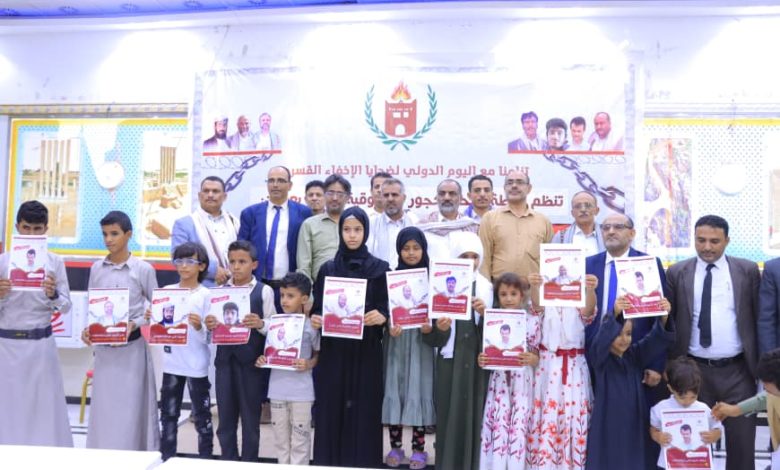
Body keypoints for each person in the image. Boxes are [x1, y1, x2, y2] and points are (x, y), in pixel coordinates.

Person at [666, 214, 760, 470]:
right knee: (692, 447)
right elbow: (669, 324)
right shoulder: (677, 272)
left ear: (727, 241)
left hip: (739, 372)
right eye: (701, 240)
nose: (707, 247)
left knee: (742, 448)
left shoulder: (747, 271)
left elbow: (759, 318)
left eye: (714, 241)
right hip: (693, 372)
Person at [310, 207, 390, 467]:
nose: (352, 235)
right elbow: (317, 308)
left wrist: (382, 316)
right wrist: (316, 318)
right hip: (334, 351)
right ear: (340, 231)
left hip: (366, 351)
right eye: (346, 229)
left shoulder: (380, 269)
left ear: (365, 232)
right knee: (332, 406)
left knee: (364, 408)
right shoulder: (328, 269)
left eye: (357, 229)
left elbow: (388, 308)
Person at [82, 210, 159, 451]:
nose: (108, 239)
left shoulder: (143, 269)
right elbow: (93, 307)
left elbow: (157, 311)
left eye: (114, 234)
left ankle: (133, 457)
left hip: (132, 352)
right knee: (105, 409)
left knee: (131, 410)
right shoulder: (96, 268)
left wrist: (135, 323)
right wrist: (87, 330)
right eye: (105, 234)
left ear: (128, 234)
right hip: (104, 353)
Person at [0, 200, 72, 447]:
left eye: (37, 229)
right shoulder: (2, 262)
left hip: (41, 346)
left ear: (46, 230)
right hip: (7, 347)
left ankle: (46, 458)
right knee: (7, 408)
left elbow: (66, 306)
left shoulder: (54, 262)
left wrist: (53, 294)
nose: (31, 234)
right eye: (26, 228)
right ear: (17, 227)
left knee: (44, 409)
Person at [423, 231, 493, 470]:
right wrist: (440, 329)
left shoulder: (487, 288)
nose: (470, 261)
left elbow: (495, 335)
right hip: (450, 363)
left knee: (475, 417)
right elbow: (432, 339)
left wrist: (485, 315)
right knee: (448, 416)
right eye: (464, 256)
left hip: (477, 363)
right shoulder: (440, 287)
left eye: (475, 256)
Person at [204, 240, 276, 461]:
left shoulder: (264, 291)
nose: (236, 267)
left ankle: (249, 463)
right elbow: (208, 330)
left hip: (251, 365)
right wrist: (209, 325)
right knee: (225, 420)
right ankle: (228, 461)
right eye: (232, 261)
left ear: (254, 264)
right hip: (224, 363)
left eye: (242, 262)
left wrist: (261, 323)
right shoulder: (218, 293)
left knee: (250, 421)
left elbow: (275, 327)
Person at [585, 294, 675, 470]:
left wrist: (664, 317)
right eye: (617, 334)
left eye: (628, 334)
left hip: (634, 425)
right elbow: (599, 344)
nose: (624, 339)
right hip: (608, 425)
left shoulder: (634, 356)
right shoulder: (600, 360)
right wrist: (614, 314)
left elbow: (655, 340)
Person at [527, 270, 598, 470]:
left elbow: (588, 313)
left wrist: (590, 290)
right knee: (547, 418)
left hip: (574, 365)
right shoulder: (545, 287)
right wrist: (535, 285)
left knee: (574, 419)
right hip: (548, 366)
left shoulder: (577, 288)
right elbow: (536, 307)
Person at [154, 242, 214, 460]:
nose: (184, 266)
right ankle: (166, 458)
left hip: (197, 364)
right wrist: (153, 320)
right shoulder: (166, 292)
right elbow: (158, 329)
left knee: (202, 415)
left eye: (190, 261)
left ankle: (205, 458)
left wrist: (199, 327)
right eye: (179, 261)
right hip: (172, 363)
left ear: (202, 266)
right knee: (168, 414)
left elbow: (211, 337)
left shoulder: (207, 295)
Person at [383, 227, 436, 469]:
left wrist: (430, 327)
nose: (411, 253)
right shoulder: (392, 278)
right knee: (395, 389)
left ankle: (419, 449)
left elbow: (440, 314)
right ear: (399, 251)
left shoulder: (432, 279)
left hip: (421, 344)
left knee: (419, 391)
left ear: (424, 249)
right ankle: (395, 446)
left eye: (416, 248)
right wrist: (388, 325)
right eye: (406, 248)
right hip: (397, 341)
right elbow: (385, 310)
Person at [255, 272, 320, 466]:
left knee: (300, 441)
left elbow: (319, 354)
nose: (284, 300)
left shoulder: (311, 326)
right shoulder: (275, 323)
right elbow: (269, 351)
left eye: (290, 296)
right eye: (282, 295)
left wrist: (308, 363)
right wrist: (263, 359)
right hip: (277, 391)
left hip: (302, 393)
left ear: (304, 299)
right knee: (281, 442)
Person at [478, 272, 541, 470]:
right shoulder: (492, 320)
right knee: (498, 424)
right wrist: (483, 359)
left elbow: (537, 353)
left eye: (513, 294)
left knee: (519, 426)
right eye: (503, 294)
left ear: (522, 295)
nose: (508, 299)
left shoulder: (531, 320)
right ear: (498, 297)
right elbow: (488, 351)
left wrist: (532, 359)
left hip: (522, 382)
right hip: (499, 381)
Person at [239, 166, 312, 311]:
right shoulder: (250, 213)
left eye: (281, 181)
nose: (275, 185)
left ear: (290, 185)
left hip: (290, 289)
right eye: (271, 180)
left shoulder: (304, 213)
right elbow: (242, 250)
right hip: (257, 285)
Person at [480, 170, 553, 281]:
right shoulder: (490, 218)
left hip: (532, 289)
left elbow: (550, 260)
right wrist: (486, 287)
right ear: (504, 188)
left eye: (519, 182)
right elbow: (484, 258)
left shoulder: (543, 221)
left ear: (529, 188)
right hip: (499, 288)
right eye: (509, 183)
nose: (514, 186)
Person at [649, 357, 722, 468]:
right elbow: (653, 428)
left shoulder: (703, 409)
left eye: (693, 397)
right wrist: (657, 436)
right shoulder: (661, 408)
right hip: (669, 463)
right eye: (682, 398)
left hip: (698, 463)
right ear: (670, 388)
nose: (687, 402)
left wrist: (714, 436)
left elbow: (718, 428)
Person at [712, 349, 780, 459]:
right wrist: (735, 410)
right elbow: (765, 398)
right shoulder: (773, 394)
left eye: (766, 383)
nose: (764, 387)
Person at [171, 176, 239, 287]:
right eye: (206, 191)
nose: (210, 195)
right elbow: (178, 258)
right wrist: (213, 270)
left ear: (224, 196)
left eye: (215, 191)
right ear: (199, 195)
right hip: (199, 289)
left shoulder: (234, 222)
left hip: (234, 287)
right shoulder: (184, 224)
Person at [297, 174, 351, 282]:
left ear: (347, 197)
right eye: (330, 193)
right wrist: (308, 290)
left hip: (352, 286)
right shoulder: (309, 224)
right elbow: (304, 267)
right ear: (325, 195)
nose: (334, 198)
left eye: (339, 194)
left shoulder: (354, 223)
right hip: (319, 287)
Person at [419, 179, 480, 260]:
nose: (446, 198)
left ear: (461, 198)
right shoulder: (424, 225)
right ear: (436, 197)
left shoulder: (471, 226)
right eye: (442, 194)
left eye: (452, 194)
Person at [368, 177, 417, 269]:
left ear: (404, 198)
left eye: (394, 195)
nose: (390, 199)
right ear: (381, 198)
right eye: (386, 195)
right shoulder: (370, 225)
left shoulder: (415, 223)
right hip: (378, 276)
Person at [550, 191, 605, 256]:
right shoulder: (561, 237)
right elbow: (553, 260)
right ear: (572, 213)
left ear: (597, 210)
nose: (583, 210)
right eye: (578, 206)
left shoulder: (606, 236)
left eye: (588, 205)